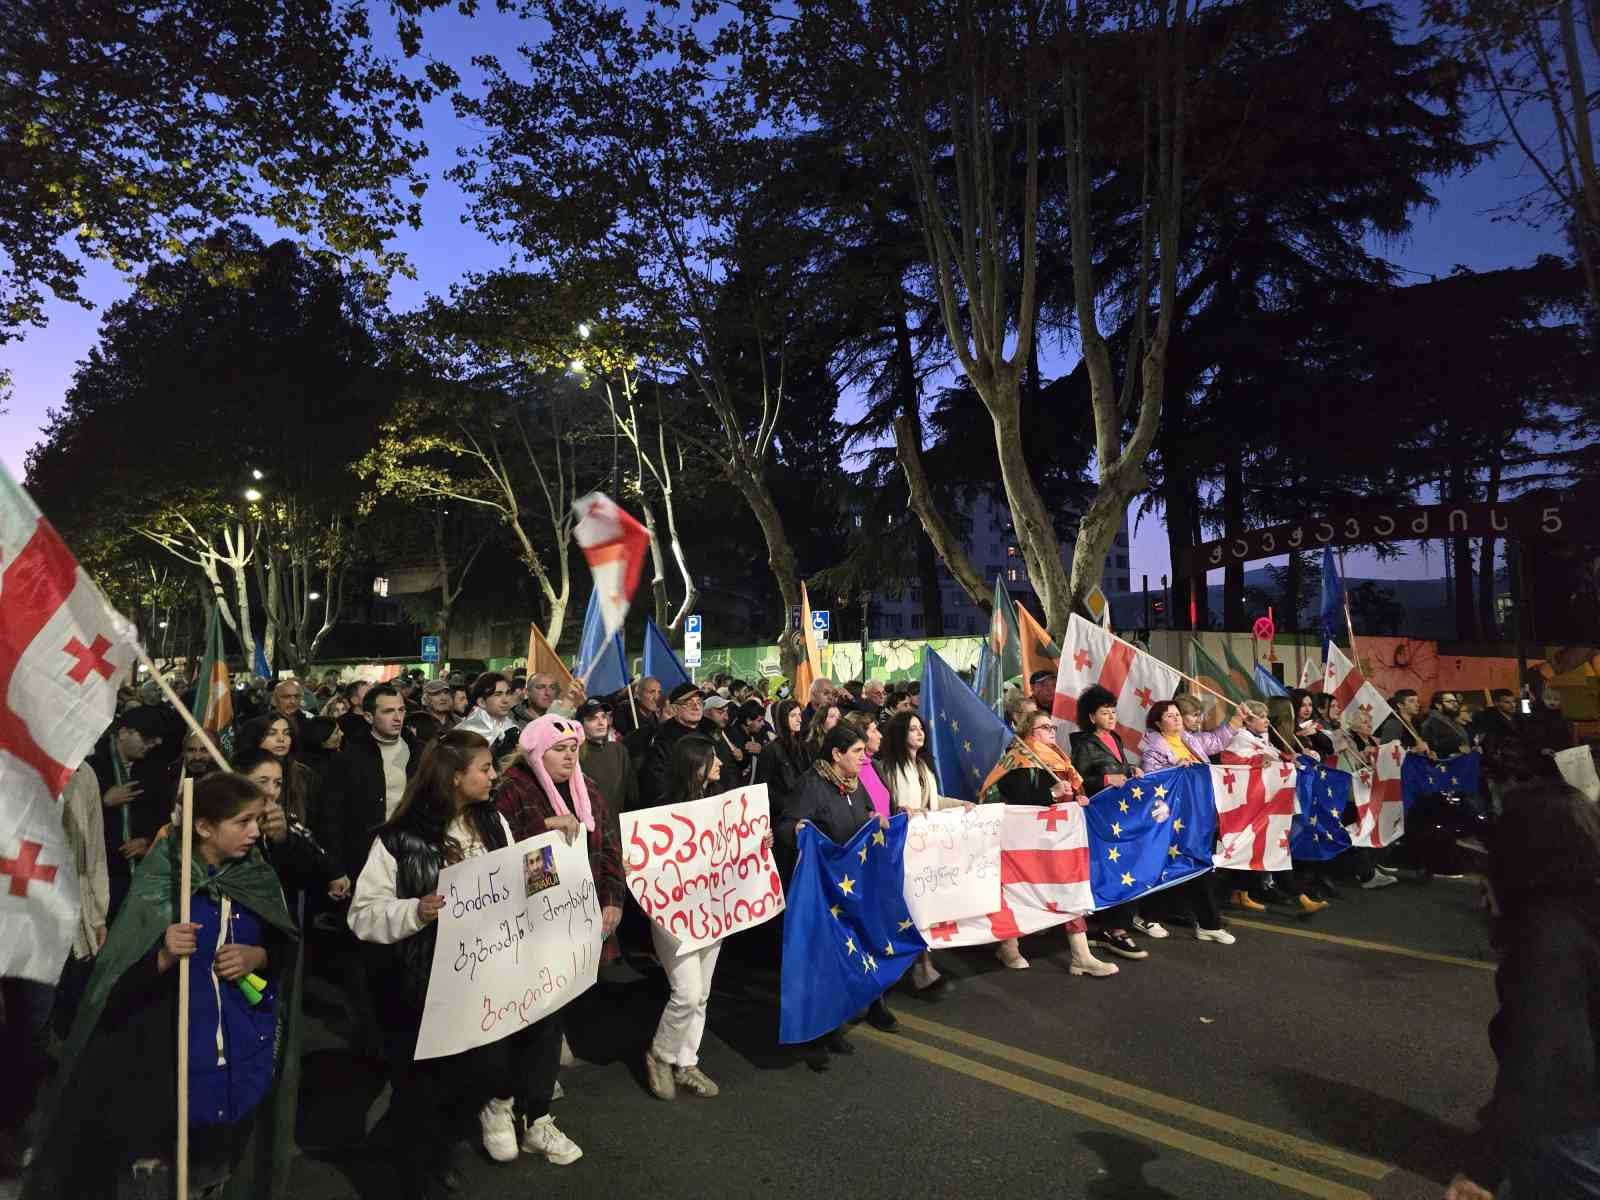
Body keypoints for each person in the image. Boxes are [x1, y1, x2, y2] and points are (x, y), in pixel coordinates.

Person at [28, 773, 298, 1200]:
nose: (254, 832)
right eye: (243, 822)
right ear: (204, 827)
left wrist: (258, 957)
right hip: (166, 1066)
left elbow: (284, 950)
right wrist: (161, 957)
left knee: (215, 1167)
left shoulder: (256, 877)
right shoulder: (161, 882)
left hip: (239, 1049)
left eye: (257, 821)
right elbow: (110, 990)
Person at [349, 730, 582, 1197]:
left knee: (484, 1075)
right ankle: (421, 1170)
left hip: (493, 976)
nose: (495, 776)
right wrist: (416, 910)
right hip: (427, 988)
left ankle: (460, 1135)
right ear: (455, 777)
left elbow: (519, 881)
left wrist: (552, 852)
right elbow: (363, 915)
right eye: (485, 769)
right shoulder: (398, 841)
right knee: (427, 1091)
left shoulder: (493, 821)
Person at [1444, 781, 1600, 1200]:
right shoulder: (1581, 904)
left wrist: (1486, 1164)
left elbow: (1543, 1055)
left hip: (1574, 1132)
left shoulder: (1548, 933)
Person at [639, 737, 774, 1102]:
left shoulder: (720, 804)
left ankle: (686, 1061)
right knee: (686, 992)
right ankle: (660, 1055)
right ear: (695, 764)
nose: (720, 765)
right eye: (713, 759)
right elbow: (647, 859)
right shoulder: (662, 810)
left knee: (702, 994)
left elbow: (734, 848)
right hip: (674, 914)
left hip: (712, 911)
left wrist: (759, 842)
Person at [775, 724, 898, 1063]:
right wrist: (797, 830)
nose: (864, 757)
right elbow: (784, 824)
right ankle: (816, 1037)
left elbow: (867, 813)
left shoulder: (856, 785)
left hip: (853, 887)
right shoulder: (810, 786)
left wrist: (876, 818)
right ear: (836, 754)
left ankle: (854, 1014)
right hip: (823, 891)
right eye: (857, 752)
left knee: (856, 952)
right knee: (823, 964)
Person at [978, 710, 1120, 976]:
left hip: (1058, 839)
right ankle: (1009, 946)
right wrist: (1050, 793)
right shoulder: (1017, 758)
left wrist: (1078, 798)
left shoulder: (1060, 758)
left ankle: (1081, 956)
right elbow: (1016, 796)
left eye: (1053, 727)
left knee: (1069, 888)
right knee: (1017, 890)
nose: (1052, 732)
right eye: (1045, 727)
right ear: (1030, 733)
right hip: (1024, 840)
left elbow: (1073, 789)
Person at [495, 715, 625, 952]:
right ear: (538, 753)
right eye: (559, 749)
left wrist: (612, 900)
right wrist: (544, 826)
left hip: (588, 911)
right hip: (537, 921)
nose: (569, 756)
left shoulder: (589, 790)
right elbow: (499, 854)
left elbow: (609, 848)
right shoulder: (511, 790)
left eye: (574, 748)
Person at [1128, 701, 1237, 945]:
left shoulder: (1191, 739)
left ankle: (1207, 923)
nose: (1176, 719)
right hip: (1172, 818)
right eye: (1170, 716)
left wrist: (1236, 720)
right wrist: (1174, 768)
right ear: (1158, 723)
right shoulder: (1153, 749)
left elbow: (1217, 740)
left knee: (1198, 866)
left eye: (1178, 714)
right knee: (1168, 866)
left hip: (1198, 814)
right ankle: (1146, 915)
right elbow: (1152, 782)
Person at [328, 683, 419, 881]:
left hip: (412, 852)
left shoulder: (418, 751)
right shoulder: (349, 758)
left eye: (401, 710)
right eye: (388, 711)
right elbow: (332, 816)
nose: (397, 718)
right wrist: (336, 871)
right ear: (369, 717)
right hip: (365, 854)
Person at [87, 706, 168, 919]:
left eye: (156, 740)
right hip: (102, 869)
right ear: (123, 733)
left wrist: (148, 840)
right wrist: (104, 801)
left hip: (141, 870)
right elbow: (71, 814)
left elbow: (162, 811)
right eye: (147, 738)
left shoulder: (155, 764)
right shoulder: (91, 763)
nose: (152, 744)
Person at [638, 684, 708, 807]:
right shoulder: (662, 738)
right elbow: (656, 784)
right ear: (675, 708)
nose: (696, 707)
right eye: (688, 703)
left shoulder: (709, 732)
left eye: (699, 702)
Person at [754, 699, 811, 822]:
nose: (799, 719)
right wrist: (787, 806)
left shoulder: (803, 747)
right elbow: (763, 787)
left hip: (804, 810)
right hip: (783, 816)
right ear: (782, 718)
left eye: (799, 715)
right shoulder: (770, 750)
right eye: (793, 716)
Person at [840, 711, 890, 818]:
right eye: (874, 731)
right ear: (860, 735)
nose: (880, 735)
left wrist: (901, 810)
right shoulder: (847, 769)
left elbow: (887, 806)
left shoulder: (875, 765)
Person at [456, 672, 519, 744]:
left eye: (508, 693)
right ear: (482, 702)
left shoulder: (513, 728)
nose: (506, 700)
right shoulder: (466, 732)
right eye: (498, 695)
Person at [1422, 692, 1472, 759]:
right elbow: (1430, 748)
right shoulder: (1431, 722)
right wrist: (1457, 749)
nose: (1455, 704)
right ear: (1438, 705)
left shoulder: (1451, 720)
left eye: (1455, 701)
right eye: (1449, 701)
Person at [406, 679, 457, 743]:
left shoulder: (458, 721)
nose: (443, 698)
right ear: (425, 699)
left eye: (446, 693)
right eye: (436, 694)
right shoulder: (415, 722)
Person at [613, 676, 663, 741]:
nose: (656, 698)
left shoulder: (656, 717)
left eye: (659, 692)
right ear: (638, 694)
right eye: (651, 692)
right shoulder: (624, 712)